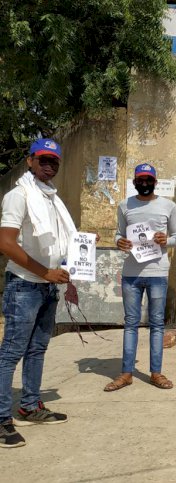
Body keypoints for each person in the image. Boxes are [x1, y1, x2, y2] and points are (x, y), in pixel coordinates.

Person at [0, 139, 76, 448]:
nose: (49, 165)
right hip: (25, 286)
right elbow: (5, 243)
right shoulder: (19, 196)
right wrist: (44, 272)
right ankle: (2, 418)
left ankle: (30, 406)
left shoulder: (51, 200)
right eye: (43, 159)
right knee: (11, 353)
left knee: (37, 350)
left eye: (54, 161)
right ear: (30, 161)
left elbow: (58, 242)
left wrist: (82, 244)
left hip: (47, 289)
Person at [106, 163, 176, 392]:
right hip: (131, 274)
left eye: (149, 179)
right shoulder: (124, 205)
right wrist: (119, 242)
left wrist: (165, 240)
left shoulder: (168, 205)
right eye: (141, 179)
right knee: (131, 324)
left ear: (155, 182)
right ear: (135, 182)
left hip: (158, 272)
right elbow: (119, 233)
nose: (145, 183)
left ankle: (156, 373)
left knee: (157, 324)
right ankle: (126, 373)